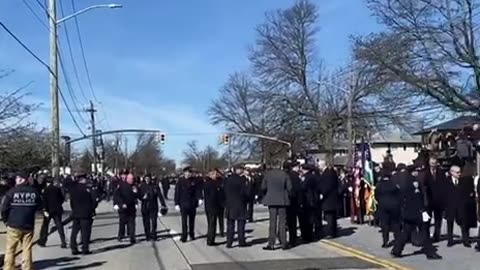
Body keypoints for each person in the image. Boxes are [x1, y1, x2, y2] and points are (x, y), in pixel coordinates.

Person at [391, 168, 441, 260]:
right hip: (415, 212)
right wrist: (422, 210)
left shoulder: (406, 181)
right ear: (413, 172)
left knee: (406, 233)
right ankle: (430, 253)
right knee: (424, 232)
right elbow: (417, 198)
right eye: (416, 171)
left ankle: (396, 250)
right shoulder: (413, 182)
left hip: (410, 212)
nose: (417, 173)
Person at [1, 172, 43, 270]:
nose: (16, 180)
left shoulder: (11, 192)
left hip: (13, 224)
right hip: (28, 224)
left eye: (18, 178)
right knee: (27, 248)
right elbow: (40, 207)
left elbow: (4, 208)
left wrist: (6, 221)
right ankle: (27, 267)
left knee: (10, 249)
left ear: (22, 179)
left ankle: (8, 267)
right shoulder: (34, 192)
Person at [262, 162, 292, 250]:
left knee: (272, 222)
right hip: (282, 200)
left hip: (271, 200)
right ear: (280, 166)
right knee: (282, 223)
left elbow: (263, 187)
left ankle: (271, 243)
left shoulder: (268, 175)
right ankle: (283, 242)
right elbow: (290, 187)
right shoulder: (284, 174)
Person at [445, 165, 477, 247]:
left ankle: (465, 240)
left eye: (460, 172)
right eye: (457, 172)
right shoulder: (446, 181)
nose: (459, 174)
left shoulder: (463, 181)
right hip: (450, 205)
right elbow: (443, 194)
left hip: (461, 205)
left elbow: (467, 193)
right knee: (450, 223)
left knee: (463, 223)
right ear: (452, 172)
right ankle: (450, 240)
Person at [419, 156, 447, 242]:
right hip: (429, 199)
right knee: (428, 219)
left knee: (438, 219)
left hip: (439, 199)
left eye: (434, 163)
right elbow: (423, 186)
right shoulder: (425, 172)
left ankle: (436, 235)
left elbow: (444, 185)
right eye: (431, 163)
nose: (433, 165)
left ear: (437, 163)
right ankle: (426, 236)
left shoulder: (441, 172)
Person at [69, 174, 97, 255]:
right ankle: (85, 249)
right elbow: (94, 201)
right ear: (83, 180)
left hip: (76, 213)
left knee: (74, 231)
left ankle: (73, 248)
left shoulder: (73, 189)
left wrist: (74, 209)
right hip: (86, 213)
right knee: (85, 232)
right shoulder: (88, 189)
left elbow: (72, 202)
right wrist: (92, 209)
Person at [224, 165, 250, 248]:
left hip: (230, 204)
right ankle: (241, 241)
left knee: (230, 225)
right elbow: (246, 193)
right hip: (240, 204)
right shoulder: (243, 180)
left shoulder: (227, 180)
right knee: (241, 225)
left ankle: (229, 242)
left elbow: (224, 192)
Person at [174, 167, 203, 242]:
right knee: (184, 221)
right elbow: (177, 192)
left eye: (190, 172)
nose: (189, 174)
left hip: (192, 203)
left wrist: (200, 198)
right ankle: (184, 236)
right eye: (187, 172)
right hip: (183, 204)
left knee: (192, 221)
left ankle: (191, 234)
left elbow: (198, 190)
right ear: (184, 173)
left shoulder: (194, 180)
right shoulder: (180, 181)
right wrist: (176, 203)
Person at [38, 177, 67, 248]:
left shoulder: (45, 190)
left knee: (45, 226)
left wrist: (44, 210)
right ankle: (63, 241)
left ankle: (42, 241)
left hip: (48, 210)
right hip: (57, 209)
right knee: (59, 225)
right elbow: (62, 198)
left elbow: (44, 201)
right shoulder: (57, 189)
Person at [375, 171, 401, 248]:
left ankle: (385, 242)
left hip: (383, 207)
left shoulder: (379, 185)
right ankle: (397, 240)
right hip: (394, 206)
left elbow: (376, 195)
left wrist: (380, 202)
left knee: (385, 225)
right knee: (395, 224)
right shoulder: (394, 184)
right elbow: (399, 194)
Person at [139, 174, 168, 241]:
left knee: (154, 222)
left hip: (153, 206)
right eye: (146, 178)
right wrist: (142, 198)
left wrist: (163, 204)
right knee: (146, 222)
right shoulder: (142, 186)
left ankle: (154, 234)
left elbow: (160, 196)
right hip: (145, 206)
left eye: (148, 178)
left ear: (150, 179)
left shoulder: (155, 186)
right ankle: (147, 235)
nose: (147, 180)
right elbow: (138, 195)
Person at [114, 173, 139, 244]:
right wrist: (121, 204)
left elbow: (137, 196)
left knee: (132, 223)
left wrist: (136, 193)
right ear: (127, 179)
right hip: (123, 208)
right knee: (122, 223)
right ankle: (120, 235)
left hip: (131, 208)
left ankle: (132, 237)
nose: (132, 180)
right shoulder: (121, 185)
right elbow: (117, 196)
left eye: (133, 179)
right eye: (131, 179)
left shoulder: (134, 186)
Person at [203, 169, 225, 246]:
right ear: (210, 175)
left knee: (211, 224)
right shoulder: (210, 183)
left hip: (211, 207)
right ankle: (210, 240)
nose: (216, 175)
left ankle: (211, 239)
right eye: (214, 174)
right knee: (212, 225)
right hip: (212, 207)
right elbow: (213, 196)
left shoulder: (211, 183)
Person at [319, 165, 339, 239]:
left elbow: (326, 186)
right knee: (333, 216)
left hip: (328, 198)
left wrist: (322, 193)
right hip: (333, 197)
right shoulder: (333, 173)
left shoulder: (327, 174)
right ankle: (334, 231)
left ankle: (330, 232)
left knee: (329, 216)